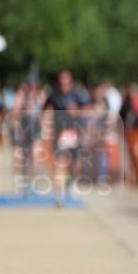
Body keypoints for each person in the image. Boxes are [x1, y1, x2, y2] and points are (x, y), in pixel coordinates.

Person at [42, 70, 90, 206]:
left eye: (67, 79)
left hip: (74, 133)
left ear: (70, 80)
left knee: (75, 164)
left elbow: (87, 110)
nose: (64, 82)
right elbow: (46, 111)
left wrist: (77, 112)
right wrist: (44, 125)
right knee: (60, 164)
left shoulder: (77, 95)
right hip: (60, 134)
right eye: (62, 79)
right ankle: (59, 195)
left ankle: (71, 184)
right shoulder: (53, 95)